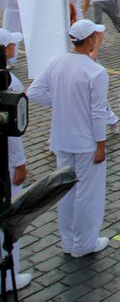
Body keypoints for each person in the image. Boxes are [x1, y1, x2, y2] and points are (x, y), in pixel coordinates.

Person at [27, 19, 110, 257]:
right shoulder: (96, 71)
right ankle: (85, 243)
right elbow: (97, 112)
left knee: (65, 191)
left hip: (62, 140)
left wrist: (62, 104)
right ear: (91, 40)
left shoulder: (57, 62)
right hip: (86, 142)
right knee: (88, 193)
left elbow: (34, 92)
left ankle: (69, 241)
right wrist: (101, 144)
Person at [0, 28, 31, 290]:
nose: (14, 48)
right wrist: (20, 162)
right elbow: (14, 132)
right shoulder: (11, 83)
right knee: (10, 216)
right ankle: (9, 277)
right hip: (6, 163)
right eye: (11, 44)